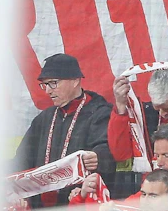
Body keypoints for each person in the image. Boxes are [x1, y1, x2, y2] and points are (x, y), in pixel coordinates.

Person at [18, 53, 115, 202]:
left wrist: (99, 157)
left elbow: (109, 149)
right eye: (45, 84)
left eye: (53, 83)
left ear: (75, 81)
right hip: (40, 209)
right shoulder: (44, 118)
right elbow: (22, 158)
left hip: (77, 206)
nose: (48, 91)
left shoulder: (100, 113)